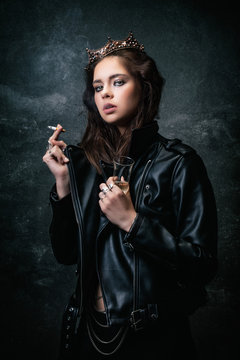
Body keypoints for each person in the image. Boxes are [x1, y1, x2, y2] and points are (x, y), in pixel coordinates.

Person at [43, 32, 218, 359]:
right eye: (98, 87)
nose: (106, 93)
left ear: (145, 87)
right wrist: (64, 186)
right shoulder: (82, 162)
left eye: (118, 82)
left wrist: (133, 223)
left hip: (152, 340)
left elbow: (202, 264)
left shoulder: (179, 163)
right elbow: (66, 254)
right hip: (88, 334)